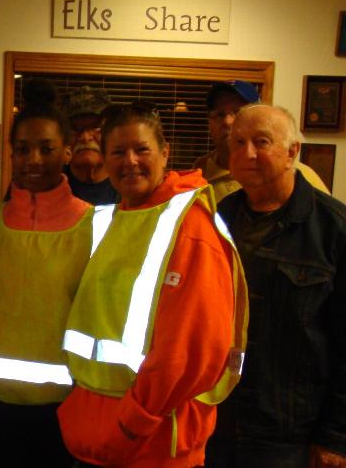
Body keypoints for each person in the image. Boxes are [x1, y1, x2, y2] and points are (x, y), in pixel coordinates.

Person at [58, 102, 248, 468]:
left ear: (164, 154)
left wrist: (136, 420)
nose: (129, 161)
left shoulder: (189, 226)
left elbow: (192, 347)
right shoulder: (119, 217)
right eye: (117, 151)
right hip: (104, 432)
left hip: (155, 439)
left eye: (141, 149)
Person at [206, 104, 346, 468]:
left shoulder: (335, 230)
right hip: (216, 420)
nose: (247, 153)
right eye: (238, 142)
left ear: (292, 151)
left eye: (261, 142)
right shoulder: (216, 219)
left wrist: (337, 437)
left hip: (289, 431)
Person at [0, 82, 87, 467]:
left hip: (62, 407)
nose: (34, 159)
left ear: (67, 151)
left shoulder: (95, 225)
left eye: (46, 149)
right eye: (23, 149)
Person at [194, 79, 327, 202]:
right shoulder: (200, 172)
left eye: (238, 112)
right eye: (219, 114)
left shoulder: (297, 175)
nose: (228, 121)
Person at [59, 85, 119, 205]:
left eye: (96, 127)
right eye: (75, 128)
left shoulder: (128, 185)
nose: (85, 138)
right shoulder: (49, 186)